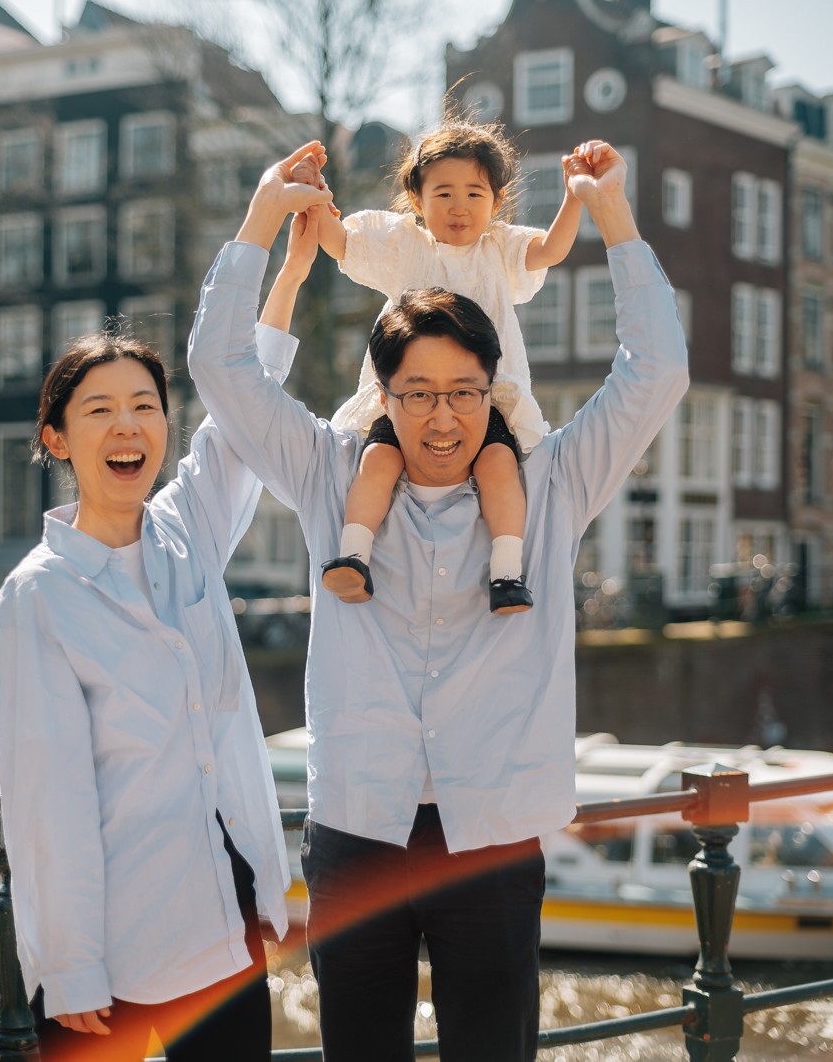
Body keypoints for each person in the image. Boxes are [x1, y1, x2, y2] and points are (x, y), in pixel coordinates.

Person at [188, 138, 689, 1062]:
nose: (444, 417)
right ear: (383, 395)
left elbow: (653, 375)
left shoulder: (549, 490)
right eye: (417, 393)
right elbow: (223, 370)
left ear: (492, 392)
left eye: (464, 391)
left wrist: (612, 211)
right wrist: (264, 218)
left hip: (493, 837)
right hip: (356, 832)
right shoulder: (330, 473)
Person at [0, 217, 321, 1060]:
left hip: (224, 922)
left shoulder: (186, 532)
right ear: (56, 440)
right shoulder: (39, 598)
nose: (127, 425)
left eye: (145, 406)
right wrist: (71, 964)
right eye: (99, 410)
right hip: (116, 950)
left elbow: (242, 419)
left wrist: (285, 271)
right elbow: (46, 800)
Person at [309, 117, 586, 615]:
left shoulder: (499, 249)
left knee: (498, 464)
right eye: (443, 194)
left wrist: (576, 196)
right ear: (417, 199)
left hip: (485, 397)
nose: (459, 207)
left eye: (475, 194)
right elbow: (340, 244)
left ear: (497, 203)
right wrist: (314, 196)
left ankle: (506, 571)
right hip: (410, 396)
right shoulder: (404, 246)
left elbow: (552, 249)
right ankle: (353, 554)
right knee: (379, 460)